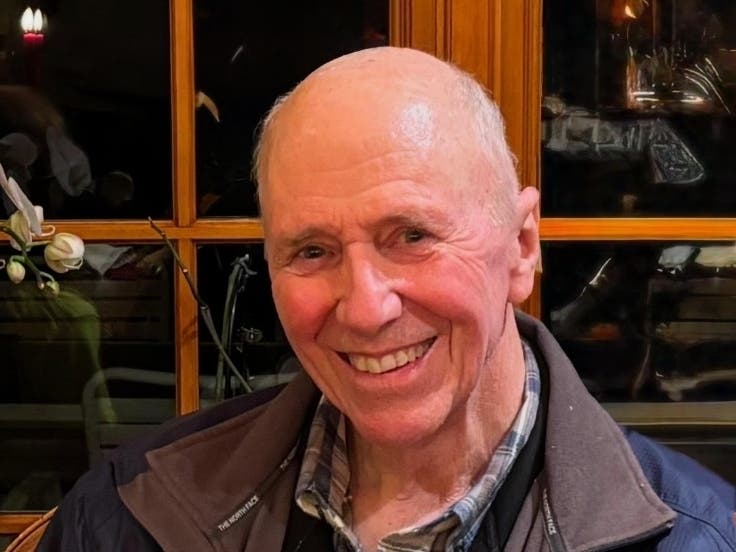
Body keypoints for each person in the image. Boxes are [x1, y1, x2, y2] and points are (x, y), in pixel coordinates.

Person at [35, 47, 736, 551]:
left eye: (412, 236)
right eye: (313, 251)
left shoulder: (702, 537)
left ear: (521, 247)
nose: (367, 308)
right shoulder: (124, 520)